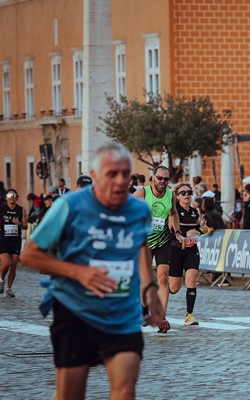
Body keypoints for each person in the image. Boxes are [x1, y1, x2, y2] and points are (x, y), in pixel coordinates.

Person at [21, 143, 164, 400]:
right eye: (112, 174)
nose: (121, 181)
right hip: (76, 311)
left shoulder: (139, 210)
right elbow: (30, 254)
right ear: (95, 176)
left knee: (125, 389)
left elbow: (140, 246)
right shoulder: (70, 205)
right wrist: (79, 273)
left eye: (125, 173)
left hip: (123, 314)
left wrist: (150, 289)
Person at [133, 165, 183, 334]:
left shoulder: (170, 195)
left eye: (166, 179)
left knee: (163, 278)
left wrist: (177, 232)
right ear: (153, 178)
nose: (163, 182)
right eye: (160, 178)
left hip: (163, 240)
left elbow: (174, 214)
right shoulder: (142, 193)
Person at [169, 183, 202, 326]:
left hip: (191, 250)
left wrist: (202, 229)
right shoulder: (173, 211)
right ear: (177, 196)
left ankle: (189, 315)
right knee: (174, 288)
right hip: (175, 250)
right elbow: (170, 231)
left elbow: (197, 228)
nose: (187, 195)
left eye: (189, 192)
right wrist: (184, 233)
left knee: (191, 279)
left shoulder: (194, 212)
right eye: (183, 193)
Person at [0, 189, 27, 297]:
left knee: (13, 265)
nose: (12, 197)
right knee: (6, 263)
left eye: (14, 195)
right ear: (6, 197)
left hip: (15, 240)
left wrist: (19, 223)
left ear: (17, 197)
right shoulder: (1, 209)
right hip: (3, 240)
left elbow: (26, 226)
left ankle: (9, 289)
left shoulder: (21, 210)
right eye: (10, 195)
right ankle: (1, 280)